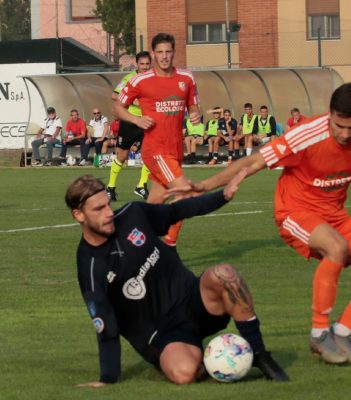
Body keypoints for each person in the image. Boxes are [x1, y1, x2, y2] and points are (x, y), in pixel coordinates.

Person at [183, 83, 351, 365]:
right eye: (339, 125)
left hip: (335, 216)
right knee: (336, 247)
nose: (345, 134)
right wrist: (205, 185)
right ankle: (319, 334)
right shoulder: (306, 135)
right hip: (294, 212)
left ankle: (341, 332)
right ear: (330, 113)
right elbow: (256, 160)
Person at [66, 172, 289, 386]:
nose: (108, 213)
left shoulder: (133, 214)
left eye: (107, 204)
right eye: (98, 209)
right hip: (162, 334)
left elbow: (178, 210)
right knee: (183, 374)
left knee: (225, 274)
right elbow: (105, 324)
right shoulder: (90, 266)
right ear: (78, 215)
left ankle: (260, 355)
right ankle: (213, 359)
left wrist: (223, 196)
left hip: (194, 300)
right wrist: (108, 378)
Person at [113, 32, 202, 247]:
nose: (164, 56)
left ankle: (125, 245)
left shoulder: (186, 78)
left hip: (175, 150)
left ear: (174, 52)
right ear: (153, 54)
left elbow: (194, 105)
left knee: (153, 206)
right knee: (186, 193)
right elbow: (117, 108)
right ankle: (168, 247)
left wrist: (195, 113)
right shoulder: (140, 80)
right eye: (160, 52)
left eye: (168, 52)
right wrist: (136, 119)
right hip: (156, 151)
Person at [107, 51, 153, 201]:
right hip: (130, 119)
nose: (145, 67)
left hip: (147, 120)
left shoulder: (154, 78)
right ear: (137, 64)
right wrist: (134, 102)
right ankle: (111, 187)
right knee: (122, 156)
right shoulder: (129, 78)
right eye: (142, 64)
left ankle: (141, 186)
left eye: (147, 64)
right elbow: (114, 96)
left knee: (150, 153)